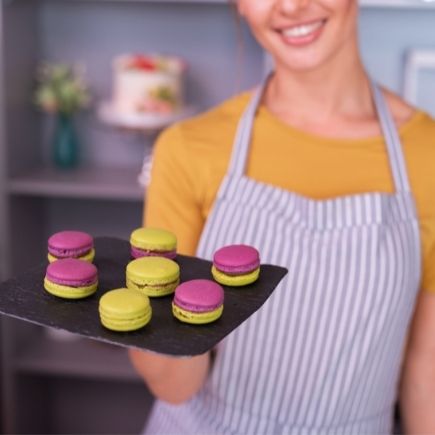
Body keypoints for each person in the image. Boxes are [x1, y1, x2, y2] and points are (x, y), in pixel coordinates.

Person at [129, 0, 435, 433]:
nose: (290, 6)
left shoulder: (429, 155)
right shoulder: (188, 148)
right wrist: (142, 327)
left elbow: (427, 377)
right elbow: (176, 387)